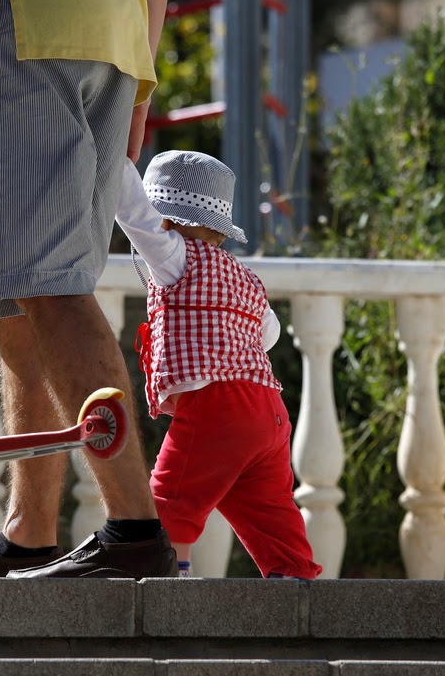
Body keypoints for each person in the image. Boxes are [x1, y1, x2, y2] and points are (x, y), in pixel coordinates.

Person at [0, 0, 177, 578]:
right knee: (25, 294)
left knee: (48, 287)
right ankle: (30, 533)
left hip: (29, 26)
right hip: (116, 41)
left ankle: (134, 528)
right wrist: (140, 89)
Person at [116, 149, 323, 580]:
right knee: (269, 511)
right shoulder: (246, 277)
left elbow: (134, 214)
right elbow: (268, 334)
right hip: (268, 411)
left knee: (169, 504)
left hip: (217, 409)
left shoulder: (173, 257)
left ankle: (171, 583)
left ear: (166, 221)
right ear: (219, 230)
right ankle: (296, 583)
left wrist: (112, 159)